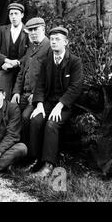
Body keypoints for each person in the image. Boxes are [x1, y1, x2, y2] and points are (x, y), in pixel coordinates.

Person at [29, 27, 83, 177]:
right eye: (51, 39)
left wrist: (60, 105)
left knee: (52, 123)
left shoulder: (74, 62)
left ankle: (48, 165)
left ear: (66, 42)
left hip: (64, 105)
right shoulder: (47, 61)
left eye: (57, 39)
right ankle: (34, 159)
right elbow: (39, 85)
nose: (53, 42)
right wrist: (39, 105)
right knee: (35, 119)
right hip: (47, 102)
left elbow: (75, 87)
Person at [11, 17, 50, 146]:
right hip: (23, 94)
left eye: (35, 29)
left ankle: (29, 152)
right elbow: (22, 72)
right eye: (30, 30)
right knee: (9, 112)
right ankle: (12, 149)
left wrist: (37, 95)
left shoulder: (49, 47)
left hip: (37, 95)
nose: (33, 33)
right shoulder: (31, 48)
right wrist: (16, 92)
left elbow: (49, 78)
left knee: (26, 117)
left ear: (43, 29)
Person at [0, 3, 29, 100]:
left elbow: (30, 53)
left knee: (20, 97)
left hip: (21, 69)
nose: (13, 17)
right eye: (11, 14)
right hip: (3, 68)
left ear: (22, 15)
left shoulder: (27, 31)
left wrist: (17, 63)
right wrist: (6, 61)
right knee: (1, 92)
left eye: (16, 14)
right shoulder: (3, 30)